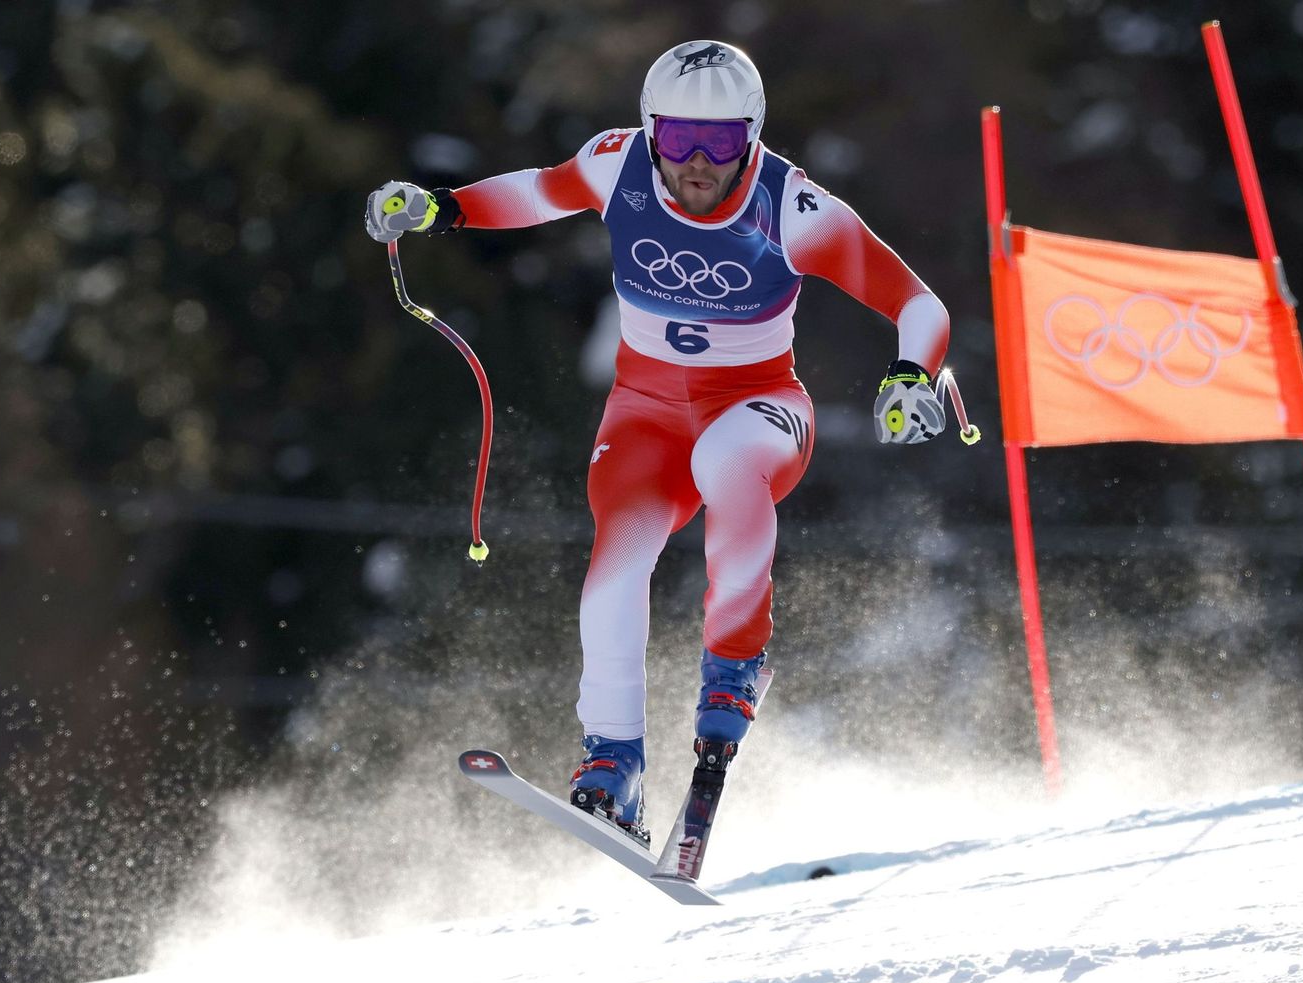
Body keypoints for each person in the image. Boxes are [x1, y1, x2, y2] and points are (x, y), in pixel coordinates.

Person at [366, 40, 950, 842]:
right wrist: (440, 206)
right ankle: (614, 763)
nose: (698, 162)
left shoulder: (792, 207)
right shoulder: (617, 166)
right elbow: (538, 193)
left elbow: (918, 303)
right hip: (644, 411)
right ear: (650, 131)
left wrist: (911, 375)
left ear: (753, 137)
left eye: (722, 142)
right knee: (612, 574)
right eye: (678, 140)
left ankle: (734, 666)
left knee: (723, 463)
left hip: (759, 406)